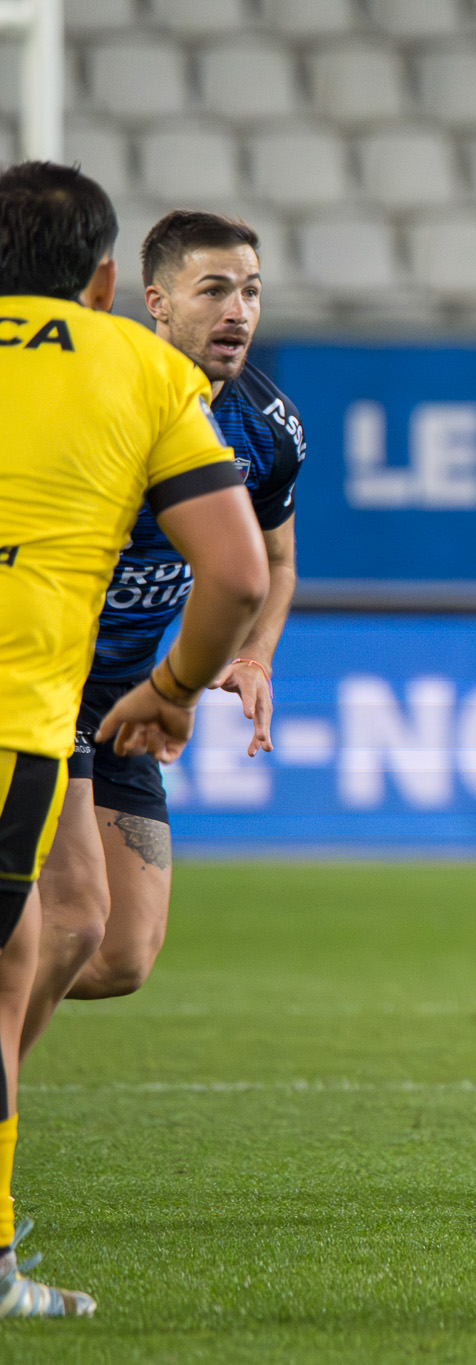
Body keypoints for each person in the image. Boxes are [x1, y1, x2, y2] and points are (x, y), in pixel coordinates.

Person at [0, 163, 267, 1316]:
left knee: (75, 938)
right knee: (13, 967)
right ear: (113, 283)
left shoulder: (267, 423)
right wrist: (176, 688)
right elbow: (241, 570)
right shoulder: (141, 374)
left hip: (58, 729)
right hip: (28, 715)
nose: (239, 311)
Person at [22, 211, 303, 1058]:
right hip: (49, 675)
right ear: (156, 302)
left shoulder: (269, 429)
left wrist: (252, 654)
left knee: (118, 955)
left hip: (136, 692)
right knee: (71, 922)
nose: (238, 310)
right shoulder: (103, 394)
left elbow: (275, 563)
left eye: (250, 290)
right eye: (213, 289)